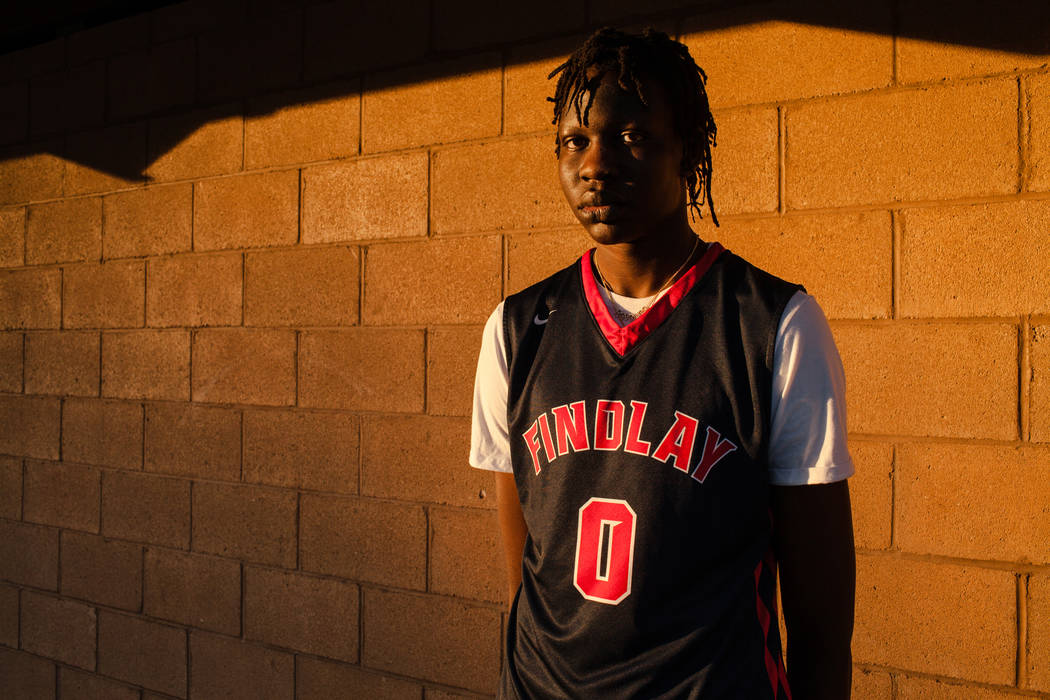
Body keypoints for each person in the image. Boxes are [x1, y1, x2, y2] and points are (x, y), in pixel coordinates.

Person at [469, 26, 855, 699]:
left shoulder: (776, 326)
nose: (594, 164)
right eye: (574, 141)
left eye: (632, 135)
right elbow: (528, 578)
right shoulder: (515, 328)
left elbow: (821, 627)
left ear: (688, 153)